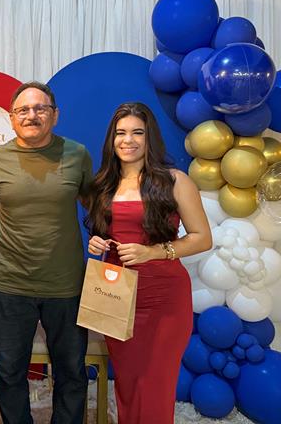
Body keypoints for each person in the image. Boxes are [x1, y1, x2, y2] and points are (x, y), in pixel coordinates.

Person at [0, 81, 92, 424]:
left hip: (66, 285)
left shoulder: (77, 154)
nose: (32, 115)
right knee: (10, 373)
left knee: (71, 372)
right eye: (23, 110)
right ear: (11, 118)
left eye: (40, 108)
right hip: (10, 285)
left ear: (55, 115)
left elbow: (96, 208)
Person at [86, 102, 212, 423]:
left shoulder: (174, 181)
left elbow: (202, 238)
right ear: (112, 139)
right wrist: (98, 241)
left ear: (149, 137)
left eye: (137, 133)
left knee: (155, 384)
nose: (128, 140)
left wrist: (153, 252)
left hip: (163, 300)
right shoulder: (104, 183)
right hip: (116, 295)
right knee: (127, 382)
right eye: (121, 133)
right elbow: (108, 231)